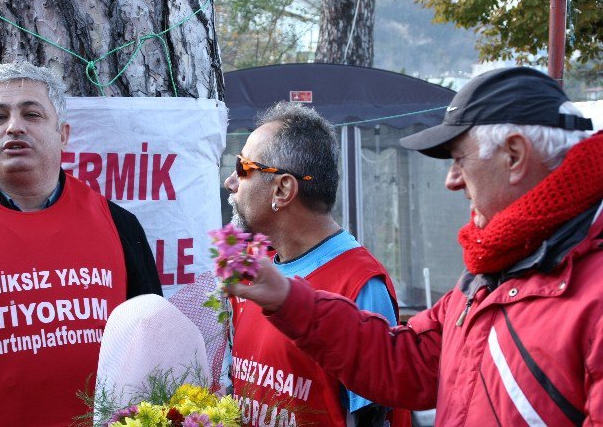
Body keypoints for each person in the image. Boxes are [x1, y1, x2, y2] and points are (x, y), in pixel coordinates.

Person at [226, 67, 603, 425]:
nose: (452, 181)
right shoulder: (493, 272)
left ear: (515, 156)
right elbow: (402, 362)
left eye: (459, 160)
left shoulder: (587, 291)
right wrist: (287, 297)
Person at [0, 61, 162, 425]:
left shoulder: (119, 224)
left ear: (63, 134)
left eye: (32, 114)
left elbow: (154, 342)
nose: (14, 127)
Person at [224, 102, 405, 427]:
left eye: (242, 168)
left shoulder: (360, 284)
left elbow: (374, 419)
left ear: (282, 189)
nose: (230, 182)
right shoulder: (258, 271)